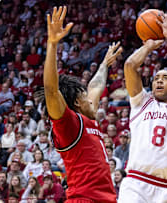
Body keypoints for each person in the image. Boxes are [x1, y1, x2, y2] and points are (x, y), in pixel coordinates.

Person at [44, 6, 121, 203]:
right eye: (86, 96)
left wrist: (104, 64)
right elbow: (51, 90)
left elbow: (95, 86)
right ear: (78, 102)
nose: (92, 99)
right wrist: (52, 45)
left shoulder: (88, 118)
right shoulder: (69, 124)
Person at [118, 11, 167, 202]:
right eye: (156, 79)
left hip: (163, 188)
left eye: (165, 78)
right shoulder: (141, 103)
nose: (159, 81)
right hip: (135, 184)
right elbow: (129, 65)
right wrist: (149, 46)